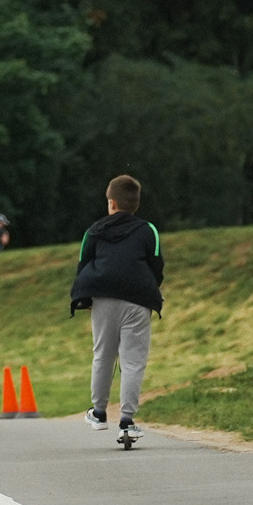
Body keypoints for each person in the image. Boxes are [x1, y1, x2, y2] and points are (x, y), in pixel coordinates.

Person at [71, 174, 164, 441]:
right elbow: (156, 266)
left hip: (102, 298)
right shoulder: (148, 231)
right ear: (135, 203)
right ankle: (127, 420)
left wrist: (86, 299)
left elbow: (83, 264)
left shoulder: (94, 231)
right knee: (133, 360)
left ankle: (99, 413)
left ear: (111, 202)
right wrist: (147, 291)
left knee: (103, 354)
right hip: (137, 300)